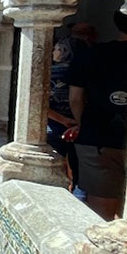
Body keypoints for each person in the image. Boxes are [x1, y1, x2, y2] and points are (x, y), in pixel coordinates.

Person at [65, 11, 127, 220]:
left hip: (98, 138)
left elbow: (75, 98)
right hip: (114, 136)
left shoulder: (91, 54)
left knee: (100, 212)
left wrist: (82, 123)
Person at [47, 39, 80, 192]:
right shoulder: (82, 74)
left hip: (55, 127)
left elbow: (40, 104)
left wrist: (63, 120)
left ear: (64, 52)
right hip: (78, 127)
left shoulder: (48, 73)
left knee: (54, 170)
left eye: (57, 49)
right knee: (76, 170)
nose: (53, 52)